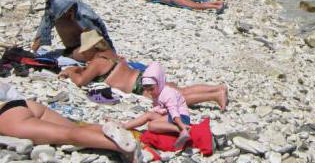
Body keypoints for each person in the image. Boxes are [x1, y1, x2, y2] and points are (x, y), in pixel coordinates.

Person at [59, 30, 228, 109]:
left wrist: (71, 72)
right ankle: (218, 88)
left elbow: (81, 81)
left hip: (139, 86)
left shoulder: (96, 63)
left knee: (177, 98)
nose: (83, 54)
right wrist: (78, 69)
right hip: (143, 76)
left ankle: (215, 95)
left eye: (85, 50)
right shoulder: (109, 54)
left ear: (91, 49)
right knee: (180, 90)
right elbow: (95, 73)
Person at [0, 83, 142, 163]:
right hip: (22, 104)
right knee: (74, 128)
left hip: (7, 117)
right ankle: (110, 131)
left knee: (67, 135)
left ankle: (125, 148)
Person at [121, 63, 191, 148]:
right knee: (148, 115)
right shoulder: (157, 92)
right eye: (147, 90)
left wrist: (181, 125)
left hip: (181, 118)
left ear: (159, 82)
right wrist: (158, 110)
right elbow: (159, 108)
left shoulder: (168, 93)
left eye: (151, 89)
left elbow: (174, 111)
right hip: (170, 116)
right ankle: (124, 126)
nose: (150, 92)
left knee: (152, 125)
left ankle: (182, 130)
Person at [31, 0, 114, 57]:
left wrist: (110, 57)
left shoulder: (84, 15)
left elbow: (98, 40)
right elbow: (42, 32)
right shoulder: (53, 10)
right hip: (72, 48)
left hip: (93, 48)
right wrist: (32, 53)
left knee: (79, 55)